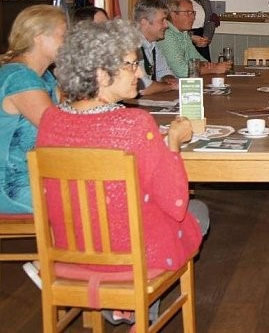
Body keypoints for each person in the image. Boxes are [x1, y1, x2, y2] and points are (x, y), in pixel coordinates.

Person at [35, 20, 209, 324]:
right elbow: (176, 203)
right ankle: (139, 311)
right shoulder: (133, 125)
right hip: (134, 258)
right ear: (102, 75)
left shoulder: (51, 120)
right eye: (130, 65)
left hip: (67, 253)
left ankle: (120, 306)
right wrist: (173, 143)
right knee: (197, 210)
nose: (139, 74)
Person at [0, 5, 66, 213]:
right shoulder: (19, 78)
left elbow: (74, 110)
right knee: (100, 200)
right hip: (12, 186)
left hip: (40, 175)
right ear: (38, 36)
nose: (67, 43)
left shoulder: (43, 76)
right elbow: (59, 131)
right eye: (63, 36)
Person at [158, 0, 231, 77]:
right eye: (188, 13)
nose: (193, 17)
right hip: (171, 86)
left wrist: (212, 65)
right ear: (173, 14)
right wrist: (213, 69)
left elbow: (198, 58)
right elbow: (182, 71)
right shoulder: (166, 35)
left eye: (193, 13)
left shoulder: (184, 33)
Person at [133, 0, 178, 96]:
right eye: (162, 20)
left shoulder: (153, 44)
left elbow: (164, 70)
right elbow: (142, 87)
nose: (166, 25)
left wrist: (168, 78)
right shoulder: (131, 46)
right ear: (144, 22)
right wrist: (171, 86)